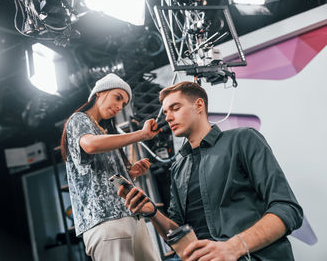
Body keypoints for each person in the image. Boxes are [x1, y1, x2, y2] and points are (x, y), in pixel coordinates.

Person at [118, 81, 303, 260]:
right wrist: (152, 212)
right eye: (166, 112)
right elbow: (178, 235)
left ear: (199, 105)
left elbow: (287, 209)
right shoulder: (178, 167)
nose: (168, 117)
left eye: (175, 108)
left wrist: (233, 248)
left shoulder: (243, 139)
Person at [60, 73, 162, 261]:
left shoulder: (104, 131)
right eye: (117, 97)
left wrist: (130, 173)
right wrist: (141, 134)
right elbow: (90, 145)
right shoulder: (79, 120)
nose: (119, 106)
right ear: (99, 93)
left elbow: (102, 174)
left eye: (123, 104)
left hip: (131, 217)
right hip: (105, 220)